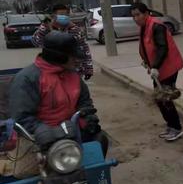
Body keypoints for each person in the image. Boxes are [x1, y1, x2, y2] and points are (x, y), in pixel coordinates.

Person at [9, 32, 108, 161]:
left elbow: (84, 103)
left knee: (100, 140)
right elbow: (22, 117)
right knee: (43, 172)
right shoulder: (28, 78)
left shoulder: (73, 76)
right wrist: (45, 132)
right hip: (37, 139)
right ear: (58, 57)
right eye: (72, 56)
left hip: (70, 131)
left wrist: (87, 119)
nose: (77, 60)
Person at [131, 2, 183, 142]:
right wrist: (147, 62)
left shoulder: (156, 26)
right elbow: (147, 45)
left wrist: (155, 66)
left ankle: (176, 128)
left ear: (146, 13)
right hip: (158, 68)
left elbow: (162, 48)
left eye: (138, 14)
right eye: (133, 16)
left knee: (164, 99)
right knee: (160, 99)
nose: (136, 18)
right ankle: (171, 126)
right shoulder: (144, 26)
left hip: (168, 67)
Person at [33, 4, 93, 80]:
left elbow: (84, 49)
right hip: (53, 70)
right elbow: (36, 42)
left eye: (65, 14)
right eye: (61, 15)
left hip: (73, 70)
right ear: (54, 16)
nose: (64, 17)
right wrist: (44, 27)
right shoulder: (47, 29)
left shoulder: (75, 30)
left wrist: (88, 69)